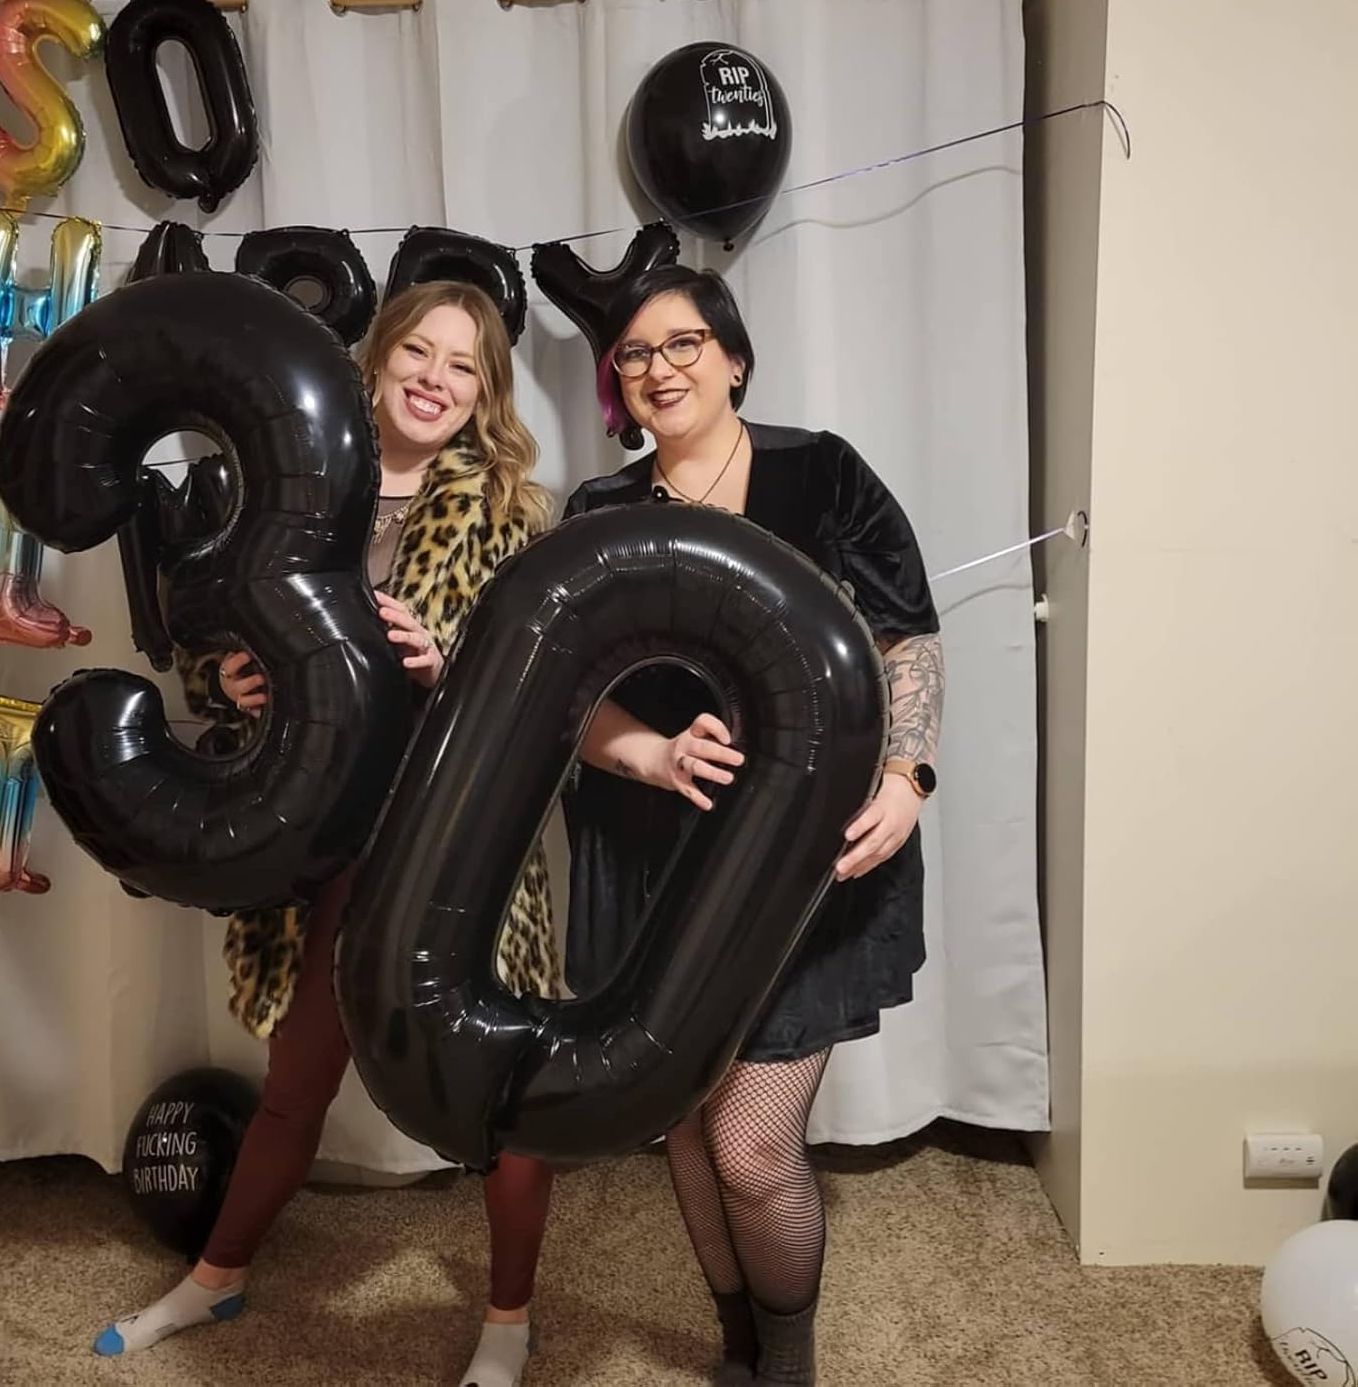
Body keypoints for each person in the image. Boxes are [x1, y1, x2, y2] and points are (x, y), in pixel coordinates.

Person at [94, 279, 562, 1387]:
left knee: (497, 1088)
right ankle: (216, 1277)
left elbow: (539, 690)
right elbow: (206, 636)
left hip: (452, 838)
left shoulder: (513, 511)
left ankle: (509, 1318)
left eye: (463, 365)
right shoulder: (287, 482)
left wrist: (448, 667)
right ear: (376, 357)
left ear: (485, 392)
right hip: (319, 834)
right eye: (419, 352)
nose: (436, 378)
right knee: (298, 1076)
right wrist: (228, 678)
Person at [560, 266, 947, 1386]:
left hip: (805, 861)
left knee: (749, 1143)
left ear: (733, 359)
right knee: (681, 1118)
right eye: (635, 353)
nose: (659, 368)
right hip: (653, 861)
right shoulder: (598, 513)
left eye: (683, 343)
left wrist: (908, 777)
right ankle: (736, 1345)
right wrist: (652, 750)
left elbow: (907, 637)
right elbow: (568, 695)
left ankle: (786, 1362)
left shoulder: (824, 473)